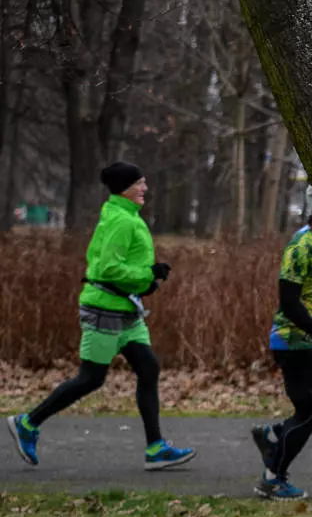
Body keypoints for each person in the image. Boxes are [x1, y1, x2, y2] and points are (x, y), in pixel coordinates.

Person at [6, 162, 195, 470]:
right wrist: (147, 276)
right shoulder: (121, 220)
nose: (145, 188)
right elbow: (108, 268)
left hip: (125, 309)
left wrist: (145, 281)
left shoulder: (125, 216)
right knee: (91, 379)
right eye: (140, 183)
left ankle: (156, 448)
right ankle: (28, 423)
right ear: (125, 188)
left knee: (148, 368)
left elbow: (117, 266)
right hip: (105, 309)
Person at [251, 188, 312, 499]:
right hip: (294, 341)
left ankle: (277, 436)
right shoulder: (302, 244)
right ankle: (272, 478)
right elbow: (290, 304)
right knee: (307, 410)